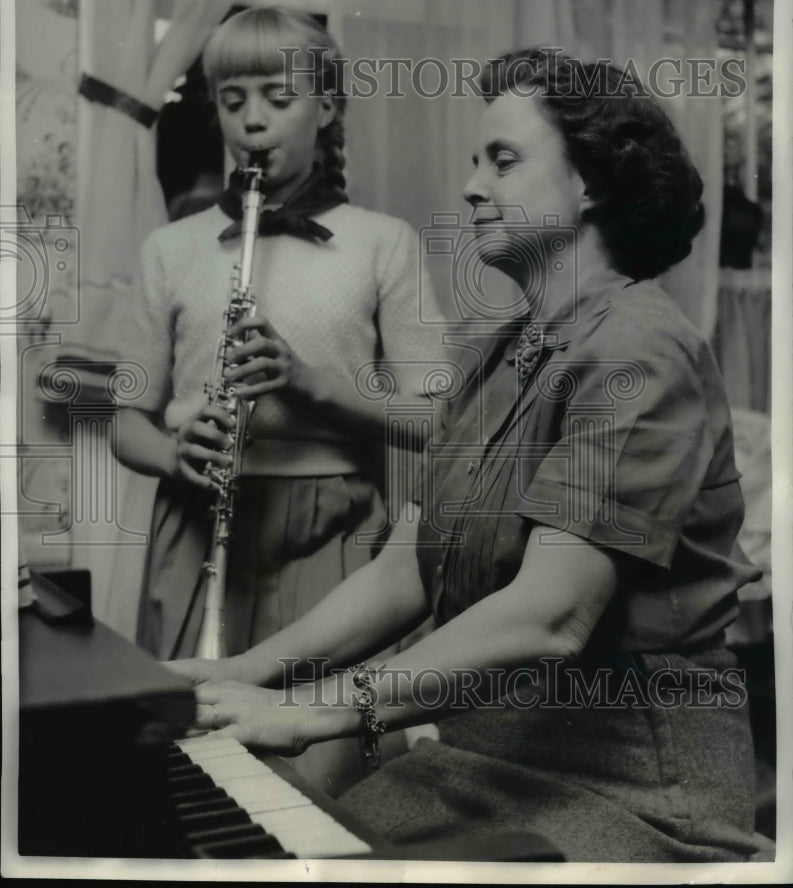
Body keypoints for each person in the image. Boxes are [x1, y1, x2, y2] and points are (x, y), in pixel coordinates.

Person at [167, 48, 763, 862]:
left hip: (634, 788)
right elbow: (408, 566)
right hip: (482, 756)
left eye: (503, 161)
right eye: (474, 161)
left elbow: (551, 616)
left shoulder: (640, 351)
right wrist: (248, 669)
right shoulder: (494, 353)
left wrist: (315, 711)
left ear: (588, 184)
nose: (472, 186)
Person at [113, 6, 448, 794]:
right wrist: (175, 450)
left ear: (326, 106)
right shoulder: (171, 248)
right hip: (195, 530)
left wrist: (310, 385)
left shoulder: (381, 242)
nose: (251, 120)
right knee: (184, 768)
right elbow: (125, 417)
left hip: (334, 534)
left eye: (277, 95)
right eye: (232, 101)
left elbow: (434, 418)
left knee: (315, 781)